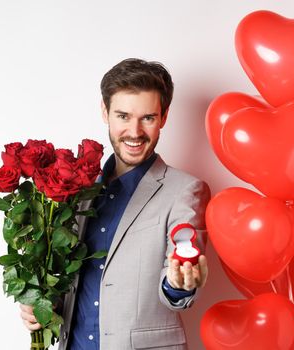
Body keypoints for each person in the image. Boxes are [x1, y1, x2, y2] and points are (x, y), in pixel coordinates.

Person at [20, 58, 211, 350]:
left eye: (147, 117)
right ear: (105, 112)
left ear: (164, 116)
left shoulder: (185, 190)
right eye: (123, 116)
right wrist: (42, 305)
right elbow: (74, 282)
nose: (134, 132)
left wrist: (179, 282)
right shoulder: (78, 190)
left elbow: (180, 273)